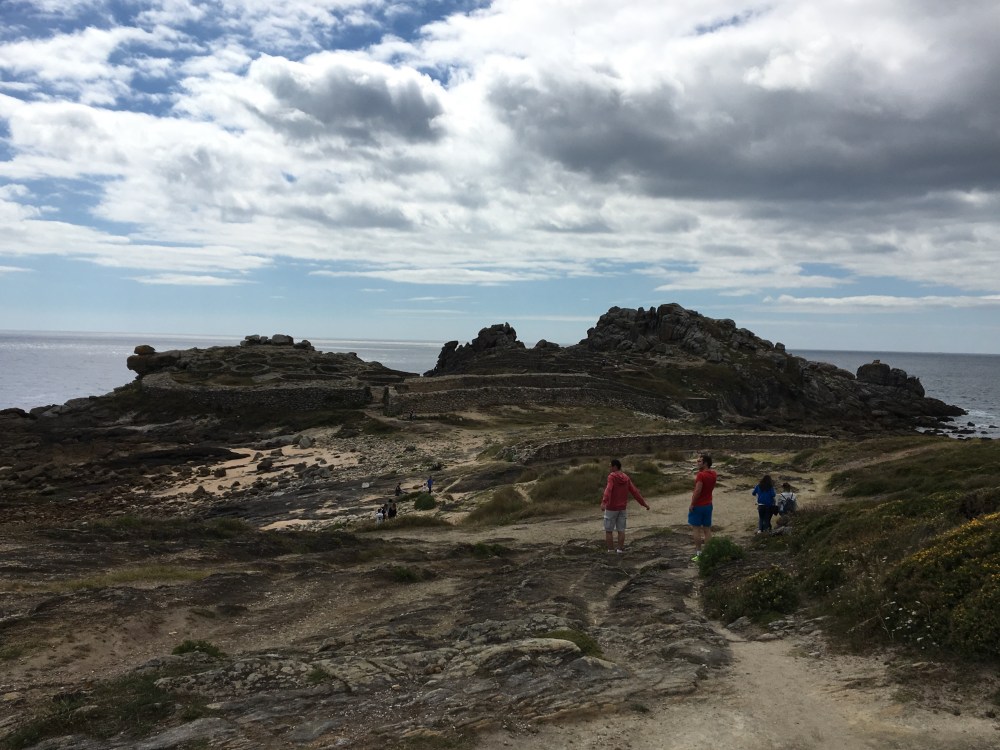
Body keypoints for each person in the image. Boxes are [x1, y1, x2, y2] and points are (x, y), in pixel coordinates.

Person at [601, 458, 650, 554]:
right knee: (621, 530)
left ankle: (610, 550)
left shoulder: (612, 476)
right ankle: (619, 549)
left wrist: (604, 502)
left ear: (615, 467)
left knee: (609, 530)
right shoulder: (626, 477)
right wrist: (644, 504)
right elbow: (635, 492)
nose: (609, 468)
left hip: (611, 508)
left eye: (610, 466)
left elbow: (608, 489)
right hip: (622, 508)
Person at [689, 453, 717, 561]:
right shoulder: (713, 474)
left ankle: (699, 554)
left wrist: (692, 504)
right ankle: (708, 553)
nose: (697, 463)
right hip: (708, 505)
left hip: (699, 505)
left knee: (696, 529)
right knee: (707, 529)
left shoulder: (701, 475)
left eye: (699, 461)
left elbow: (698, 490)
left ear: (705, 463)